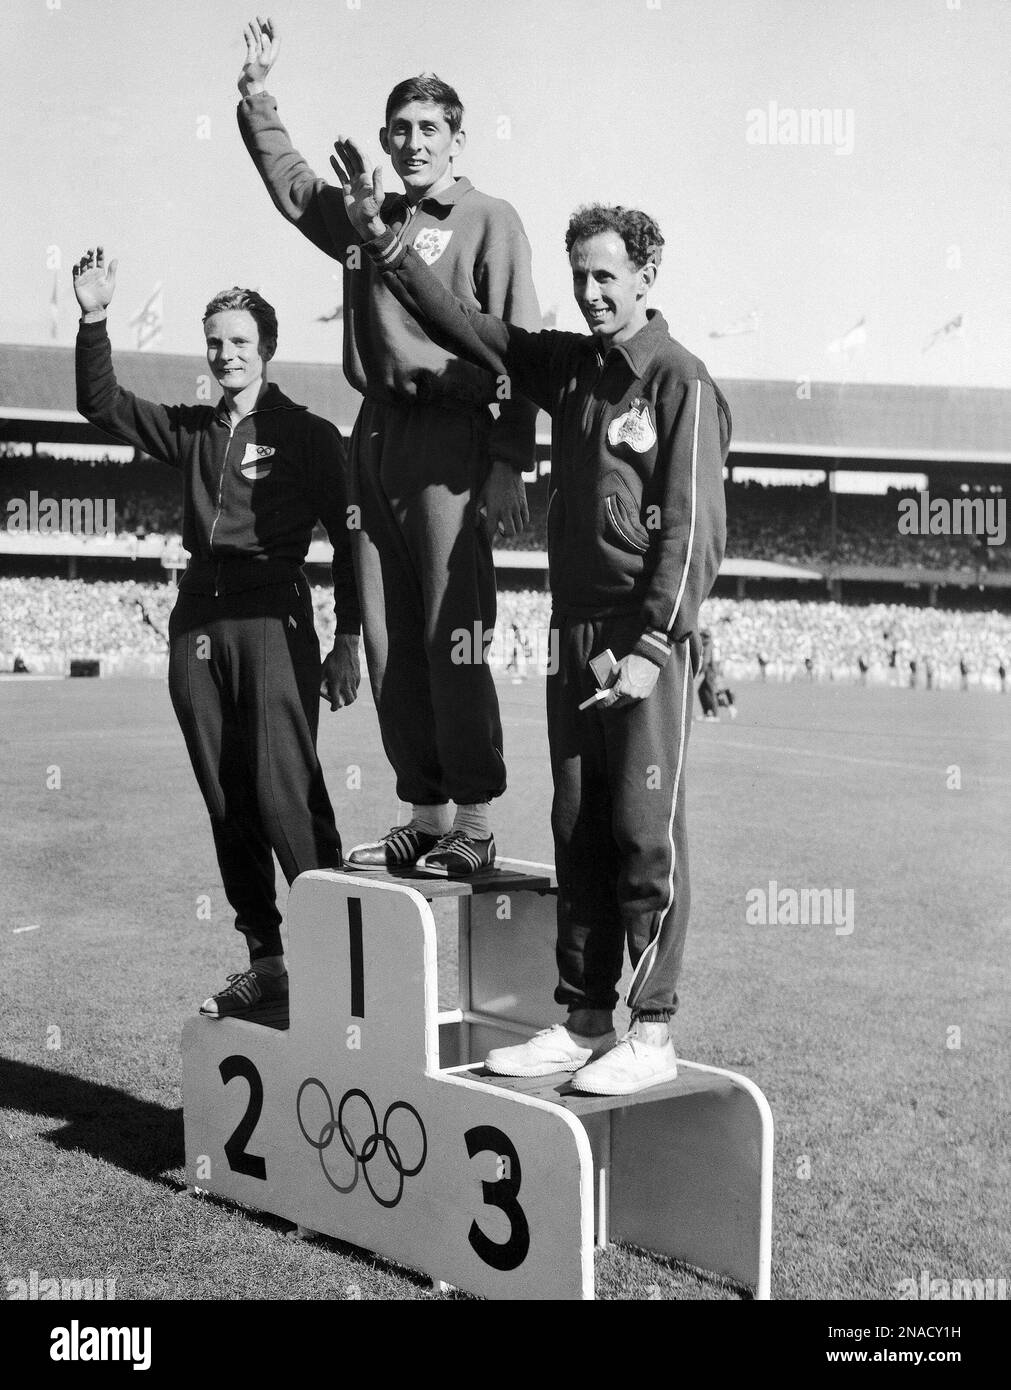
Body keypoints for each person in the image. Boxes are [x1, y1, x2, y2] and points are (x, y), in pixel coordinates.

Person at [333, 144, 730, 1095]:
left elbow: (693, 531)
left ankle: (654, 1030)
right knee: (575, 825)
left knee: (643, 832)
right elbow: (467, 323)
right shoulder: (576, 370)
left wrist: (648, 648)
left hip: (641, 639)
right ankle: (585, 1021)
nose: (591, 294)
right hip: (572, 634)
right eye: (580, 277)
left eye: (607, 277)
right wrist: (386, 243)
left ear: (646, 276)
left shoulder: (677, 380)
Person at [235, 17, 540, 876]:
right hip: (375, 437)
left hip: (451, 441)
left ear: (457, 140)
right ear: (382, 139)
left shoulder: (488, 220)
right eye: (399, 129)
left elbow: (518, 342)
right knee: (388, 640)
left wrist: (512, 458)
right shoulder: (368, 215)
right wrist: (258, 97)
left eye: (429, 129)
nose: (413, 142)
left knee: (452, 630)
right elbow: (295, 186)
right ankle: (425, 812)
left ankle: (474, 820)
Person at [73, 246, 360, 1018]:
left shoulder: (307, 434)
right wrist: (95, 318)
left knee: (282, 791)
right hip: (197, 620)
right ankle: (266, 964)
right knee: (228, 796)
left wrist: (348, 642)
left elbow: (350, 536)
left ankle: (342, 966)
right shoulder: (193, 430)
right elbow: (101, 403)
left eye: (238, 341)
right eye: (215, 342)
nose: (225, 354)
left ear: (266, 348)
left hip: (273, 617)